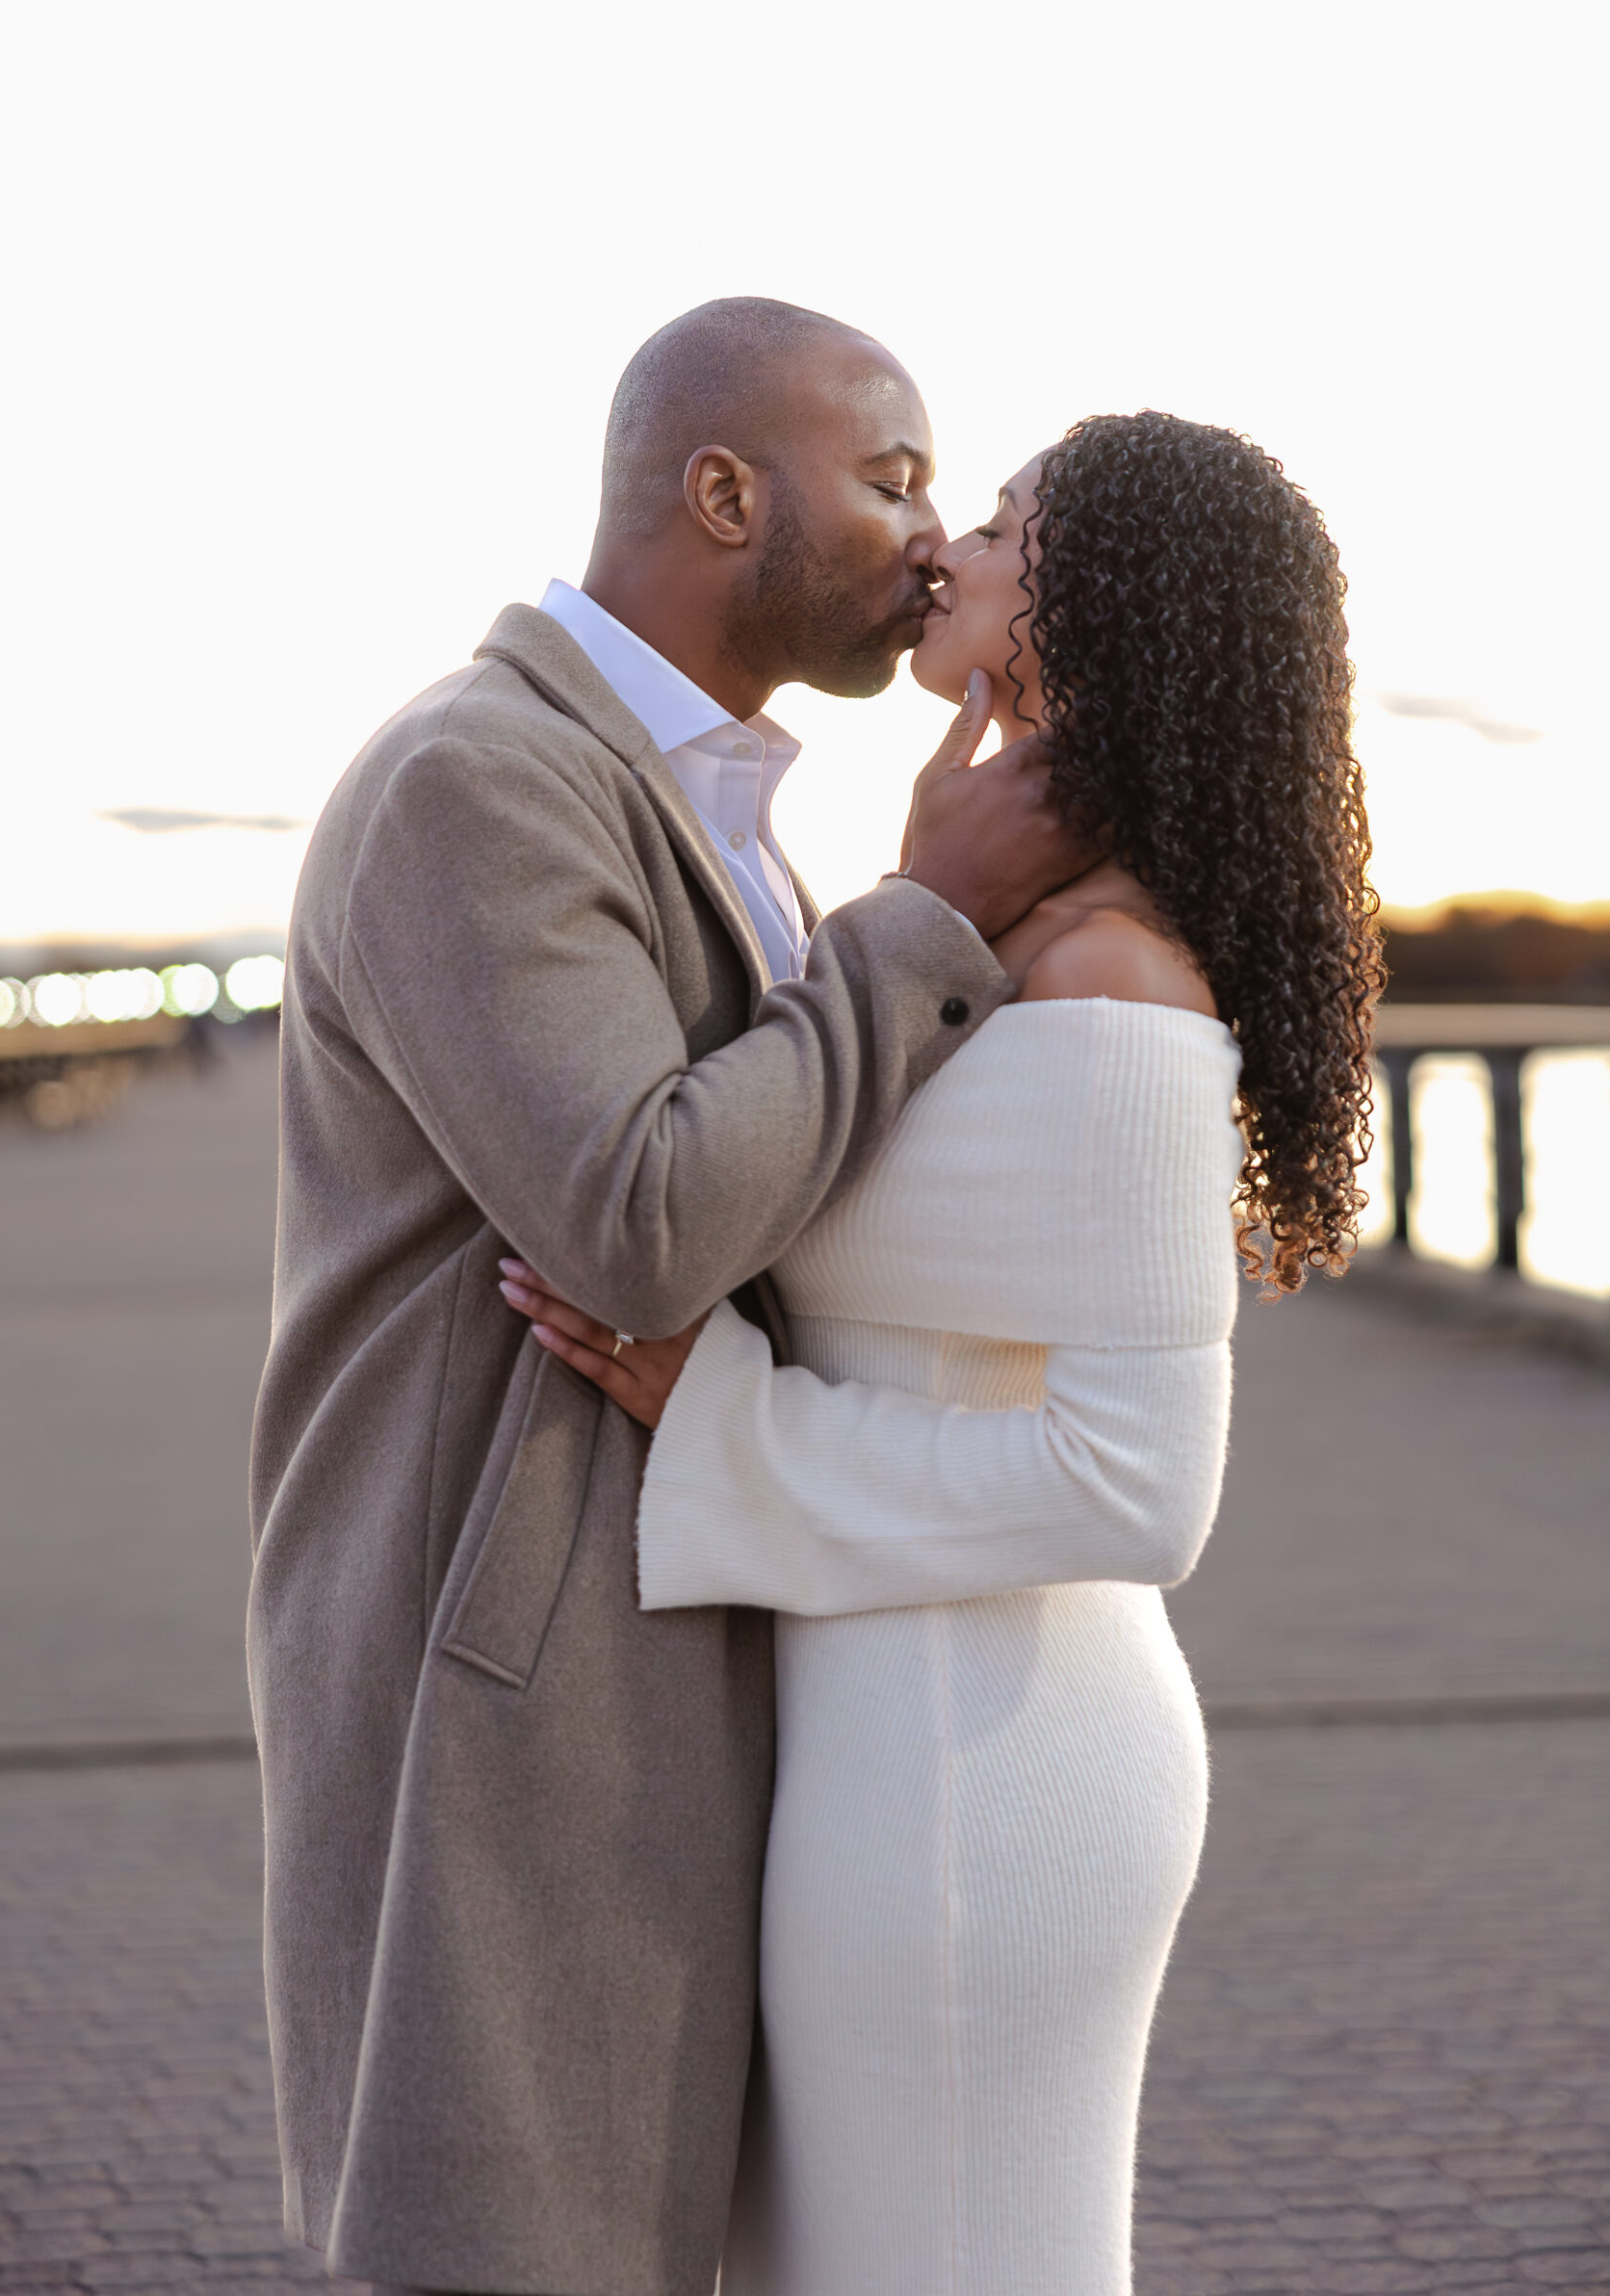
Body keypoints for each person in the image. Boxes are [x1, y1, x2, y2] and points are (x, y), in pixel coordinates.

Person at [247, 298, 1098, 2296]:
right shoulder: (480, 774)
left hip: (654, 1663)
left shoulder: (714, 803)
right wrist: (928, 921)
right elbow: (636, 1211)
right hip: (511, 1698)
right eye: (887, 472)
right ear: (724, 489)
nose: (923, 529)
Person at [502, 409, 1385, 2296]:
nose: (942, 553)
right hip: (902, 1728)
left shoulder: (1109, 973)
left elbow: (1138, 1483)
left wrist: (722, 1418)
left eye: (989, 526)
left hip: (975, 1763)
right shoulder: (1012, 929)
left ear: (1088, 611)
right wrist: (915, 900)